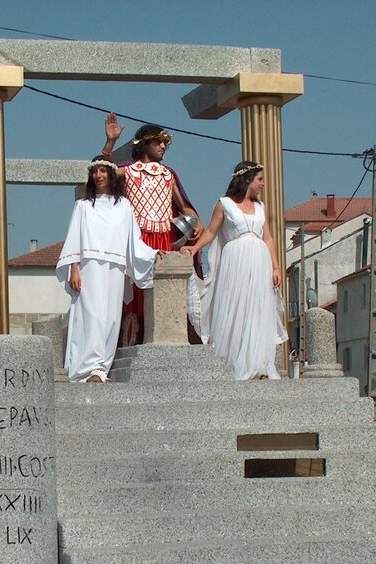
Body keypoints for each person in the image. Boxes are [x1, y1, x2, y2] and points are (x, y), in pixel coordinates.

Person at [101, 113, 201, 345]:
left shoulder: (168, 174)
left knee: (167, 293)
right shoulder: (128, 171)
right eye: (158, 142)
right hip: (138, 241)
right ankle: (130, 344)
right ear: (144, 144)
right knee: (135, 296)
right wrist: (111, 142)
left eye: (165, 142)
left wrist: (195, 221)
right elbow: (102, 172)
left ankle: (168, 339)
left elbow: (184, 206)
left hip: (166, 241)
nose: (163, 146)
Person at [57, 156, 159, 382]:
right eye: (95, 172)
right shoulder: (83, 206)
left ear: (111, 175)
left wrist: (153, 254)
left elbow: (134, 240)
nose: (99, 175)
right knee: (91, 315)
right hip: (89, 266)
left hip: (115, 265)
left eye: (103, 171)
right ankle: (85, 369)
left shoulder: (124, 206)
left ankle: (101, 368)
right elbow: (74, 239)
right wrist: (74, 268)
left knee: (111, 317)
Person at [187, 161, 288, 380]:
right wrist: (195, 248)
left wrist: (276, 266)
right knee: (236, 307)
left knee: (258, 309)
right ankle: (234, 363)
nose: (262, 184)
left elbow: (268, 237)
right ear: (247, 179)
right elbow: (212, 231)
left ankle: (260, 365)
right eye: (259, 179)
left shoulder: (261, 208)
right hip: (235, 259)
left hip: (259, 260)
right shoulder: (225, 204)